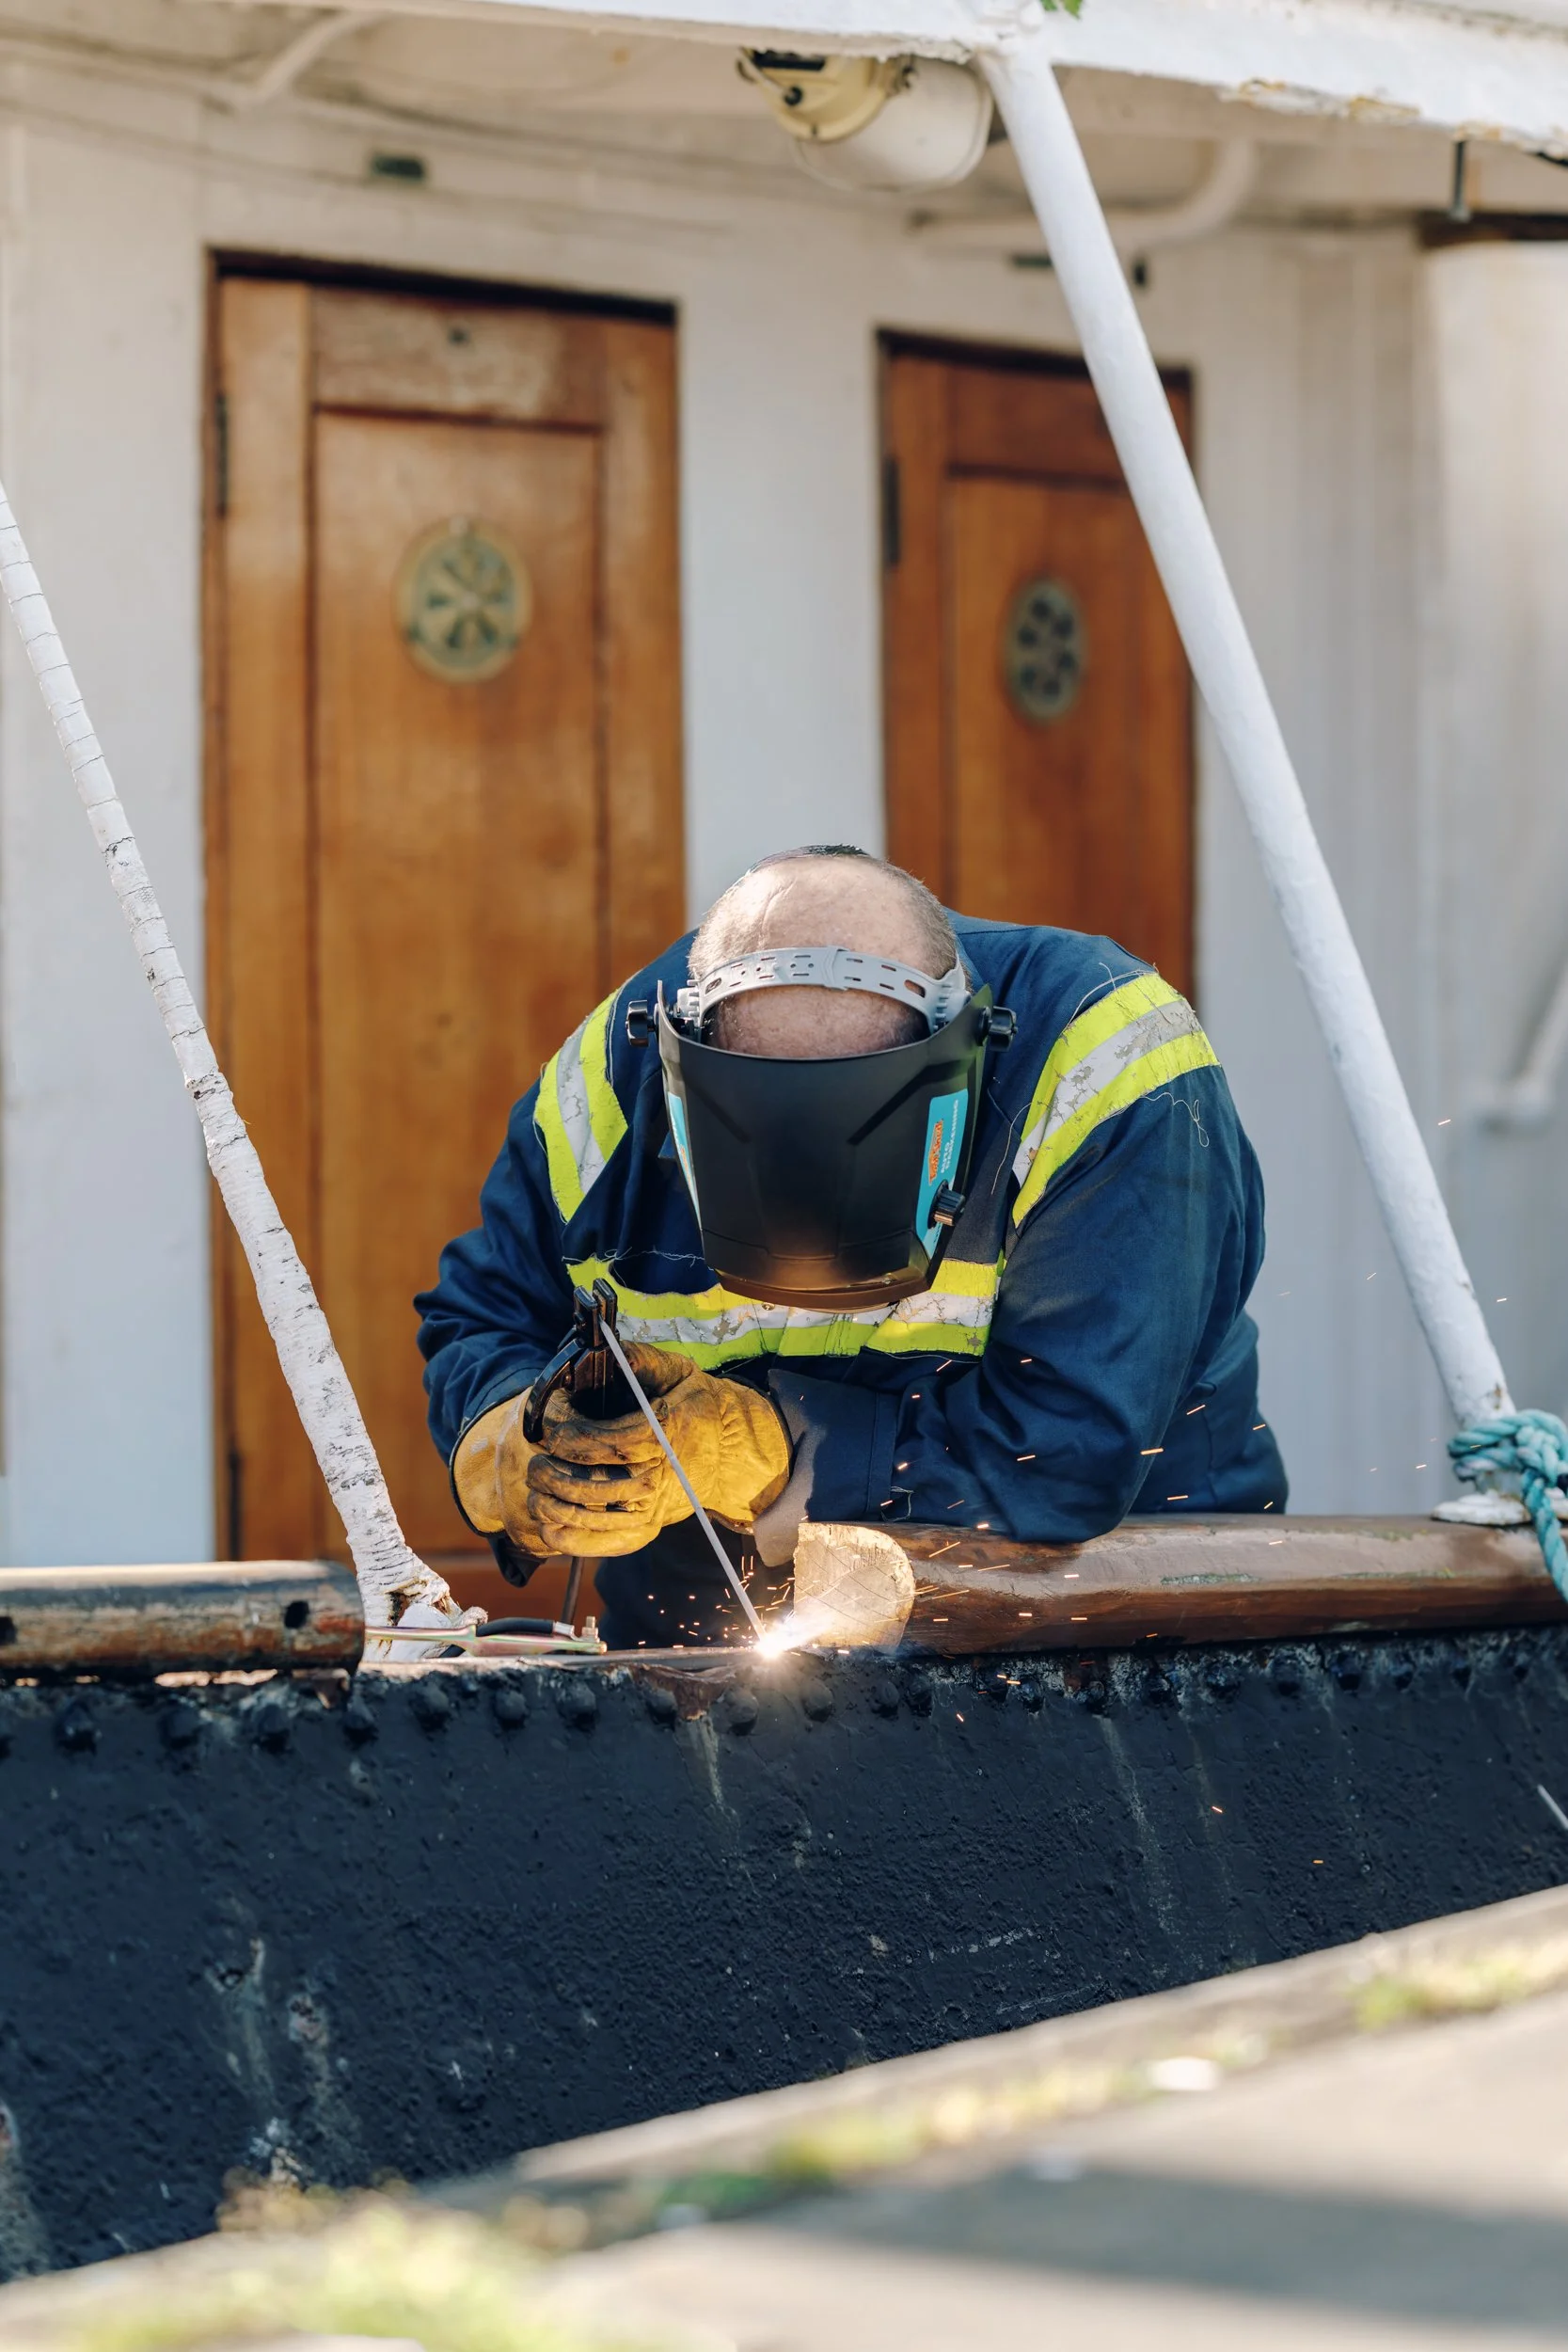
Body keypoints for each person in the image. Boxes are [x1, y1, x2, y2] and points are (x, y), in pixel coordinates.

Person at [417, 846, 1286, 1647]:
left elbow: (1065, 1455)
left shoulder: (1104, 1067)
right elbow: (485, 1313)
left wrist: (759, 1453)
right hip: (699, 1650)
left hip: (1104, 1651)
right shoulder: (613, 1081)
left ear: (965, 1057)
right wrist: (509, 1447)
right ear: (688, 1065)